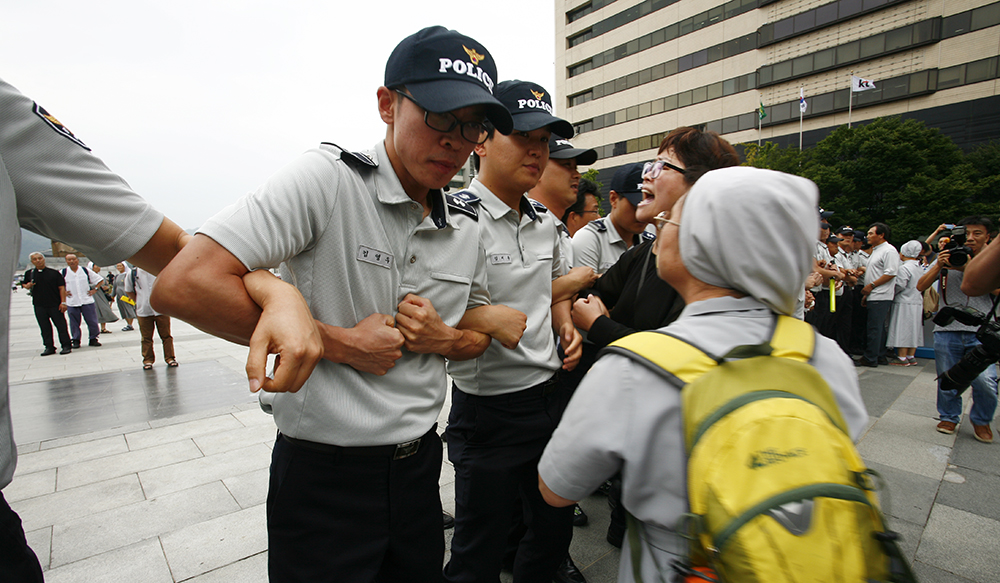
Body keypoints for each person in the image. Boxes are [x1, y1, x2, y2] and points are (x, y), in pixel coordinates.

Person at [151, 27, 524, 583]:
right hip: (325, 477)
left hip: (421, 469)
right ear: (387, 105)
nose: (457, 140)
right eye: (442, 116)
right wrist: (341, 342)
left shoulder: (466, 225)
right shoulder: (328, 181)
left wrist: (442, 340)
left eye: (474, 125)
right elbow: (185, 284)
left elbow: (476, 336)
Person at [537, 166, 867, 583]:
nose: (661, 228)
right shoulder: (825, 356)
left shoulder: (636, 365)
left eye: (674, 219)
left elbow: (556, 487)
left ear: (703, 244)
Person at [1, 75, 203, 582]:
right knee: (145, 336)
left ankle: (154, 356)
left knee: (161, 334)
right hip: (129, 303)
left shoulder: (5, 118)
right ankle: (145, 359)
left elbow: (161, 243)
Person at [567, 126, 740, 548]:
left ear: (702, 187)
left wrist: (601, 327)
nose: (646, 175)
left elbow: (676, 361)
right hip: (634, 432)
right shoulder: (642, 253)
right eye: (650, 164)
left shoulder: (719, 268)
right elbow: (590, 297)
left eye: (661, 166)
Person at [442, 79, 582, 583]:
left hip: (547, 400)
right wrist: (481, 318)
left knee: (551, 532)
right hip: (489, 412)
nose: (537, 151)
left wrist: (565, 323)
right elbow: (424, 311)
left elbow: (551, 286)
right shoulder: (454, 221)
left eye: (544, 140)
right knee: (480, 544)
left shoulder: (545, 220)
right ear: (481, 140)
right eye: (523, 136)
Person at [917, 217, 998, 443]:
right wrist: (939, 265)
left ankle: (981, 420)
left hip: (983, 332)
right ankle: (949, 417)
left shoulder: (993, 262)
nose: (971, 238)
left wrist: (970, 269)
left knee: (986, 381)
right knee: (948, 378)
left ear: (988, 236)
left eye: (978, 233)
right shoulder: (950, 256)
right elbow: (921, 286)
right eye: (968, 233)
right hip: (947, 329)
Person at [531, 136, 599, 306]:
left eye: (575, 167)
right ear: (538, 169)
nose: (577, 175)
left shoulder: (561, 232)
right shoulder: (525, 225)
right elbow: (520, 297)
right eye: (566, 165)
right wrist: (575, 280)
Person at [572, 162, 651, 274]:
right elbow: (585, 289)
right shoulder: (591, 238)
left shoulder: (651, 241)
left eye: (648, 206)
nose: (641, 215)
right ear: (614, 199)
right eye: (635, 207)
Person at [856, 222, 899, 367]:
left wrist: (871, 286)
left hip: (881, 294)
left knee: (874, 328)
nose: (867, 236)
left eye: (870, 233)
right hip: (873, 294)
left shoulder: (889, 251)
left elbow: (891, 273)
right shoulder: (876, 250)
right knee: (877, 327)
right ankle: (880, 355)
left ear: (881, 235)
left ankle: (870, 357)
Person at [20, 252, 72, 356]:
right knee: (44, 327)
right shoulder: (30, 273)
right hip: (39, 305)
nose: (38, 260)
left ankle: (66, 345)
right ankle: (49, 346)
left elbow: (61, 288)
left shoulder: (54, 273)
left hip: (55, 304)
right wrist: (27, 286)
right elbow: (24, 284)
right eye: (35, 259)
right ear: (32, 262)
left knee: (61, 325)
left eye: (40, 258)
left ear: (44, 259)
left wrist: (63, 302)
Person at [125, 267, 176, 369]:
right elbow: (129, 290)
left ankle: (170, 358)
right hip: (143, 310)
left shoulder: (157, 270)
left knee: (166, 336)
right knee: (146, 337)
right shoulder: (133, 273)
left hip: (161, 309)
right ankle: (148, 360)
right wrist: (138, 301)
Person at [887, 241, 924, 366]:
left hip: (903, 301)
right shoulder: (919, 267)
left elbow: (900, 285)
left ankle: (901, 357)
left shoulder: (904, 268)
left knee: (902, 328)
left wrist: (891, 293)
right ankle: (910, 355)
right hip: (917, 301)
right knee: (914, 329)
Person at [61, 253, 105, 347]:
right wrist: (63, 292)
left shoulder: (85, 271)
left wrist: (95, 289)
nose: (72, 261)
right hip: (72, 301)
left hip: (87, 300)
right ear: (66, 261)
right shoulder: (63, 272)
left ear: (77, 260)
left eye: (73, 259)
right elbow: (58, 285)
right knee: (74, 322)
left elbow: (100, 280)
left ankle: (93, 338)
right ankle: (76, 340)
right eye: (69, 260)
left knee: (92, 321)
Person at [88, 263, 119, 334]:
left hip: (102, 296)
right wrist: (96, 286)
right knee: (94, 312)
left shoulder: (101, 277)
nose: (99, 267)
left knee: (104, 309)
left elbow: (106, 286)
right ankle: (95, 328)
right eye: (96, 266)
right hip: (93, 296)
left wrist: (106, 288)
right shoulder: (88, 277)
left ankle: (103, 327)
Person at [113, 262, 137, 330]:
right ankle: (128, 323)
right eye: (118, 266)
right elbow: (115, 286)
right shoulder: (117, 276)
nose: (119, 267)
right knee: (122, 309)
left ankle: (130, 324)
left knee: (128, 308)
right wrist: (112, 296)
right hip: (119, 296)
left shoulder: (127, 275)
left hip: (126, 295)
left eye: (120, 266)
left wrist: (131, 294)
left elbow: (132, 284)